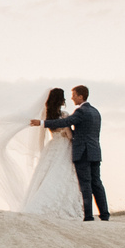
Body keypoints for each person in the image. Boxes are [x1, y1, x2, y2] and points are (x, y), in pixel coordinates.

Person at [0, 88, 86, 222]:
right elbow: (69, 135)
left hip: (52, 147)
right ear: (60, 100)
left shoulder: (46, 116)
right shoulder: (64, 115)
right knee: (63, 175)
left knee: (48, 176)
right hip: (64, 147)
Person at [36, 84, 107, 221]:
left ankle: (88, 216)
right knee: (97, 183)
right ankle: (104, 214)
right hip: (95, 152)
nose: (72, 98)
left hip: (83, 152)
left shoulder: (81, 112)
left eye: (74, 95)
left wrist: (41, 123)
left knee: (86, 183)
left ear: (81, 96)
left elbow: (66, 122)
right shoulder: (95, 111)